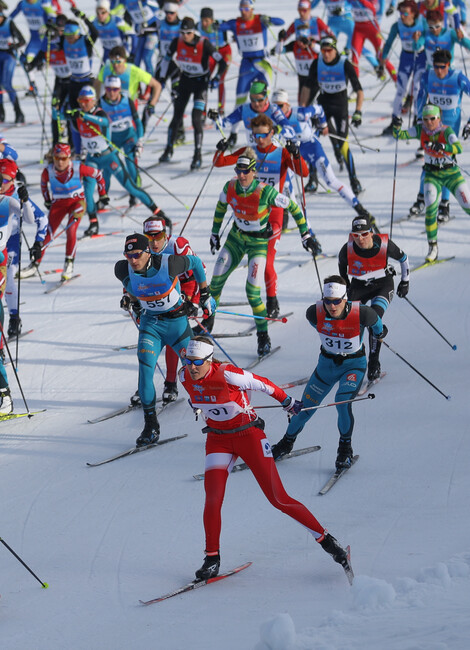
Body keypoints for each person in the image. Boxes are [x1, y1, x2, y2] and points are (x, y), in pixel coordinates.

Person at [179, 335, 352, 582]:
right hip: (217, 440)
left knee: (278, 499)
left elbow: (263, 384)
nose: (192, 367)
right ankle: (211, 559)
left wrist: (288, 402)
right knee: (213, 498)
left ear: (209, 360)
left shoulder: (228, 374)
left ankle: (328, 542)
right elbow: (198, 393)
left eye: (197, 362)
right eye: (188, 361)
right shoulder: (185, 376)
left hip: (248, 436)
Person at [198, 149, 317, 358]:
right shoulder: (231, 186)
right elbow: (220, 208)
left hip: (257, 244)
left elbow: (294, 208)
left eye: (245, 171)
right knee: (215, 281)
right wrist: (214, 234)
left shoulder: (265, 191)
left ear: (254, 172)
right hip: (235, 239)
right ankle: (209, 320)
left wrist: (305, 234)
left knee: (252, 292)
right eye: (238, 170)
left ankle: (263, 336)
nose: (241, 175)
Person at [271, 275, 386, 471]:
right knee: (305, 407)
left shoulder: (363, 314)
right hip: (326, 365)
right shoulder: (313, 313)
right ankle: (286, 443)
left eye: (336, 301)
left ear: (345, 299)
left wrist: (379, 335)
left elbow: (379, 329)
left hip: (353, 365)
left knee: (342, 403)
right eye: (327, 301)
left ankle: (344, 450)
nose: (332, 306)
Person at [114, 232, 213, 447]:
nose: (132, 259)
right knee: (145, 369)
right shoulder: (122, 269)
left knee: (198, 369)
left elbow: (196, 263)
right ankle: (151, 426)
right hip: (152, 326)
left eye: (137, 254)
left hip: (177, 325)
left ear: (148, 252)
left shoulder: (169, 263)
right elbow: (133, 287)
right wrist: (132, 302)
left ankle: (221, 414)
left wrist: (204, 294)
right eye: (128, 255)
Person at [213, 113, 311, 318]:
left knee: (266, 262)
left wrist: (295, 155)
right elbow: (220, 162)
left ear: (272, 133)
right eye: (255, 135)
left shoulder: (281, 153)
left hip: (273, 213)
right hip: (249, 210)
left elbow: (304, 173)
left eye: (264, 135)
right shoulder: (248, 153)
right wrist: (220, 149)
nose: (259, 139)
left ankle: (272, 300)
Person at [123, 215, 203, 406]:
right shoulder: (140, 253)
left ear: (166, 234)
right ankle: (145, 385)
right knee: (150, 342)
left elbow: (198, 271)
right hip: (154, 296)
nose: (153, 241)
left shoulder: (178, 246)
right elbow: (132, 279)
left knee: (174, 337)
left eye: (157, 236)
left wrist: (196, 301)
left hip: (184, 287)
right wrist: (128, 298)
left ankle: (171, 383)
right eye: (148, 237)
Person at [69, 85, 167, 236]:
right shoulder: (79, 116)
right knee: (87, 192)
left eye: (86, 101)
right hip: (92, 159)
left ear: (93, 101)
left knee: (131, 187)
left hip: (109, 157)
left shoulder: (98, 112)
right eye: (80, 100)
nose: (83, 104)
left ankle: (159, 212)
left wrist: (85, 116)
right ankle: (93, 223)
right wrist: (59, 109)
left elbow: (104, 122)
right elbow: (64, 118)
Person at [272, 88, 378, 227]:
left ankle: (361, 210)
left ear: (287, 104)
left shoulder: (301, 113)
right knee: (283, 181)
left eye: (280, 106)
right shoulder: (273, 118)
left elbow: (319, 110)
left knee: (331, 181)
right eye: (274, 106)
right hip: (295, 152)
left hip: (312, 148)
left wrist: (323, 125)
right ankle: (284, 216)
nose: (277, 109)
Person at [394, 103, 470, 262]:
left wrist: (442, 145)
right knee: (430, 208)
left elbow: (458, 148)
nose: (428, 122)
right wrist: (396, 127)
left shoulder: (446, 130)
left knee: (467, 204)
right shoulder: (420, 130)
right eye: (425, 119)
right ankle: (433, 247)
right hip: (432, 175)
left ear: (439, 118)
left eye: (432, 119)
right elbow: (400, 135)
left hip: (451, 174)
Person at [20, 143, 107, 281]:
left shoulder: (78, 167)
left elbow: (98, 175)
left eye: (64, 158)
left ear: (69, 158)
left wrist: (102, 194)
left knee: (70, 229)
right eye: (57, 158)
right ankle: (34, 265)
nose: (60, 162)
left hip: (77, 203)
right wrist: (47, 200)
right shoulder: (48, 171)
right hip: (58, 204)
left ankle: (69, 264)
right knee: (47, 233)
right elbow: (43, 185)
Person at [338, 214, 409, 381]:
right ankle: (353, 359)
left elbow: (403, 259)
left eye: (364, 234)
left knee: (373, 319)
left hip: (382, 286)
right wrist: (346, 286)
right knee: (352, 322)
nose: (360, 239)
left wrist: (405, 282)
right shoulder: (346, 249)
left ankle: (374, 362)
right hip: (359, 287)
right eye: (356, 235)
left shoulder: (384, 244)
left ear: (371, 232)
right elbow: (342, 269)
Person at [156, 16, 227, 170]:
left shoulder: (204, 44)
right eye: (182, 32)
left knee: (196, 119)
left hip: (201, 84)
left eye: (188, 32)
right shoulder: (177, 42)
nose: (185, 35)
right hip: (185, 81)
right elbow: (166, 59)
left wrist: (216, 78)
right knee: (176, 116)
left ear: (194, 31)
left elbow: (222, 62)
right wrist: (162, 77)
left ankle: (197, 154)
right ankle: (168, 149)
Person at [409, 48, 470, 221]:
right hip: (430, 125)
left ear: (448, 65)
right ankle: (421, 199)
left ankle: (444, 204)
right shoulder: (429, 76)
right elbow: (421, 97)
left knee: (446, 164)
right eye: (436, 66)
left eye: (442, 67)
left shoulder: (458, 77)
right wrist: (419, 118)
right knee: (429, 162)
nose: (439, 70)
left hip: (449, 128)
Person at [299, 36, 365, 195]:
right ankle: (313, 180)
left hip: (341, 107)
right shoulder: (317, 63)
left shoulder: (344, 64)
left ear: (335, 49)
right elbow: (307, 87)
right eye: (323, 50)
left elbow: (359, 89)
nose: (326, 54)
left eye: (329, 50)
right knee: (311, 140)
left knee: (343, 145)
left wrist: (358, 111)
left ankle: (354, 180)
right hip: (322, 106)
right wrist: (302, 108)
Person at [3, 159, 47, 336]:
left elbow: (41, 219)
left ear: (13, 180)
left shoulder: (17, 197)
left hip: (11, 242)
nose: (1, 183)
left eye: (5, 180)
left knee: (8, 279)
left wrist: (38, 243)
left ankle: (14, 318)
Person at [218, 0, 285, 105]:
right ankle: (238, 120)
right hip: (246, 64)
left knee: (263, 98)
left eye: (246, 9)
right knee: (240, 98)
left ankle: (265, 120)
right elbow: (219, 27)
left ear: (252, 9)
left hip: (262, 63)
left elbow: (281, 22)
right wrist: (214, 24)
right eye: (241, 9)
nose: (243, 12)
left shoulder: (260, 20)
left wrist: (269, 19)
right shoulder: (236, 23)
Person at [380, 0, 427, 136]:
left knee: (417, 89)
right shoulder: (397, 25)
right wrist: (384, 57)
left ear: (413, 13)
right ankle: (395, 120)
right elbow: (388, 42)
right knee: (400, 90)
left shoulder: (421, 22)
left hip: (420, 58)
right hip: (406, 59)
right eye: (400, 12)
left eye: (405, 12)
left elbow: (425, 40)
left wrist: (418, 41)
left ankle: (417, 122)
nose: (402, 15)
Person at [26, 14, 72, 146]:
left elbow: (64, 44)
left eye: (63, 30)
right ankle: (56, 145)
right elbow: (40, 56)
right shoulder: (49, 43)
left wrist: (57, 34)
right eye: (59, 29)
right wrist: (31, 64)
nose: (60, 32)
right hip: (59, 81)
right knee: (54, 112)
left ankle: (73, 146)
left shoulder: (67, 41)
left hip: (71, 81)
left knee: (69, 113)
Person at [275, 0, 335, 100]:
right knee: (302, 103)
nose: (302, 13)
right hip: (303, 77)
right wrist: (280, 39)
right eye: (299, 10)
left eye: (304, 10)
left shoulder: (316, 21)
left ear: (309, 9)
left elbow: (331, 37)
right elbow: (283, 43)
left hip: (317, 74)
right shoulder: (296, 25)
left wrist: (312, 43)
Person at [211, 79, 296, 149]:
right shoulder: (244, 109)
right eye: (253, 99)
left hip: (274, 155)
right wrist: (215, 117)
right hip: (255, 155)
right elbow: (221, 125)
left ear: (266, 98)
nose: (256, 104)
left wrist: (279, 129)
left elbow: (291, 132)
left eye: (260, 100)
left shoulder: (273, 110)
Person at [95, 45, 160, 130]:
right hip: (110, 105)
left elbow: (157, 85)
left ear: (124, 60)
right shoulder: (106, 69)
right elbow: (97, 83)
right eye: (112, 62)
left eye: (118, 62)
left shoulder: (133, 71)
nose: (115, 65)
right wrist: (96, 100)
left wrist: (152, 104)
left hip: (129, 106)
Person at [99, 75, 143, 199]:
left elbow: (138, 123)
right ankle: (104, 196)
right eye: (108, 89)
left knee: (130, 161)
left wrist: (140, 141)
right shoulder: (100, 103)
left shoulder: (127, 101)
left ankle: (135, 191)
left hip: (128, 136)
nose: (111, 93)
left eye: (115, 89)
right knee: (108, 168)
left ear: (119, 89)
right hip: (112, 140)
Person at [9, 0, 56, 96]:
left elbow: (54, 16)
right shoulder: (22, 4)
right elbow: (10, 18)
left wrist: (47, 25)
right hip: (34, 40)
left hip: (44, 40)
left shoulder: (43, 2)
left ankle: (41, 64)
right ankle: (33, 87)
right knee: (25, 61)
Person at [198, 7, 232, 115]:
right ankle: (203, 111)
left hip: (224, 51)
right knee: (205, 78)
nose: (204, 23)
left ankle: (221, 109)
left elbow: (233, 28)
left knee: (220, 78)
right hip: (211, 53)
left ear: (212, 20)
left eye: (207, 21)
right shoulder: (198, 26)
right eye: (202, 20)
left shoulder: (220, 24)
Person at [0, 9, 26, 123]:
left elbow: (22, 41)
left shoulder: (9, 23)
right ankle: (1, 112)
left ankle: (18, 112)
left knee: (6, 83)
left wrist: (15, 45)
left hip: (9, 55)